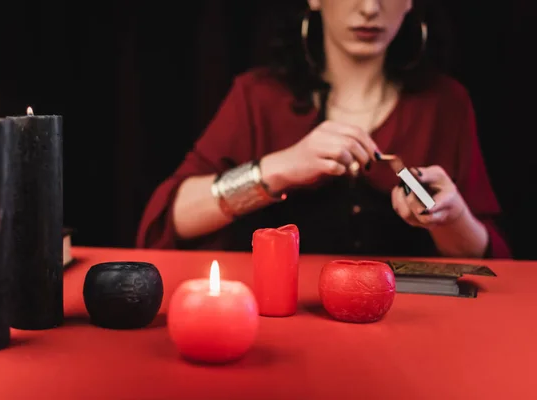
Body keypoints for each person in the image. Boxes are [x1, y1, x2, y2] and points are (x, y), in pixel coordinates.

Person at [137, 0, 511, 258]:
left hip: (410, 333)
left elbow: (492, 263)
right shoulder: (258, 96)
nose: (369, 8)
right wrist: (277, 169)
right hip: (281, 328)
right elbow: (172, 219)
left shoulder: (445, 103)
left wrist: (452, 216)